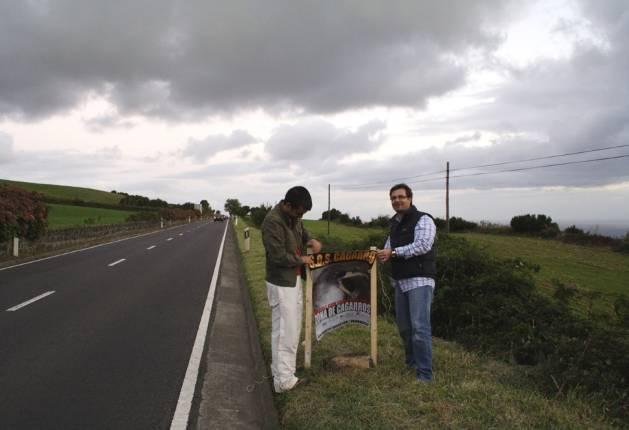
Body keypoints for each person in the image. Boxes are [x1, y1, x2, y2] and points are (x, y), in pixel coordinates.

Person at [261, 186, 322, 393]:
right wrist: (303, 259)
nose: (300, 216)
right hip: (281, 282)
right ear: (287, 204)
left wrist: (311, 239)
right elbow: (278, 256)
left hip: (293, 279)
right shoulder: (272, 222)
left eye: (303, 213)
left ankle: (283, 372)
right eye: (298, 212)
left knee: (291, 329)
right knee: (285, 331)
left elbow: (302, 231)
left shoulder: (293, 216)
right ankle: (283, 381)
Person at [377, 183, 437, 382]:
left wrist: (393, 253)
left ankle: (424, 374)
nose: (397, 200)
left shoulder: (424, 219)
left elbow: (423, 245)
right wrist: (380, 255)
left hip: (420, 280)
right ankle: (411, 363)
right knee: (404, 328)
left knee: (420, 328)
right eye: (393, 198)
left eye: (401, 197)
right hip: (400, 281)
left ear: (410, 198)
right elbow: (388, 247)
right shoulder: (394, 223)